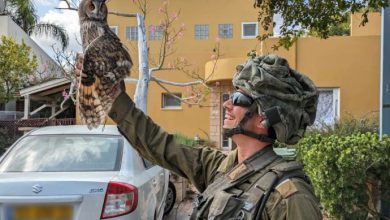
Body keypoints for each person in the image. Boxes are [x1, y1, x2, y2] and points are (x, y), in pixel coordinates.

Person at [77, 54, 323, 219]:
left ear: (264, 118)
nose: (227, 104)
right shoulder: (221, 167)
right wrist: (112, 96)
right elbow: (158, 143)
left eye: (239, 99)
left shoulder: (289, 196)